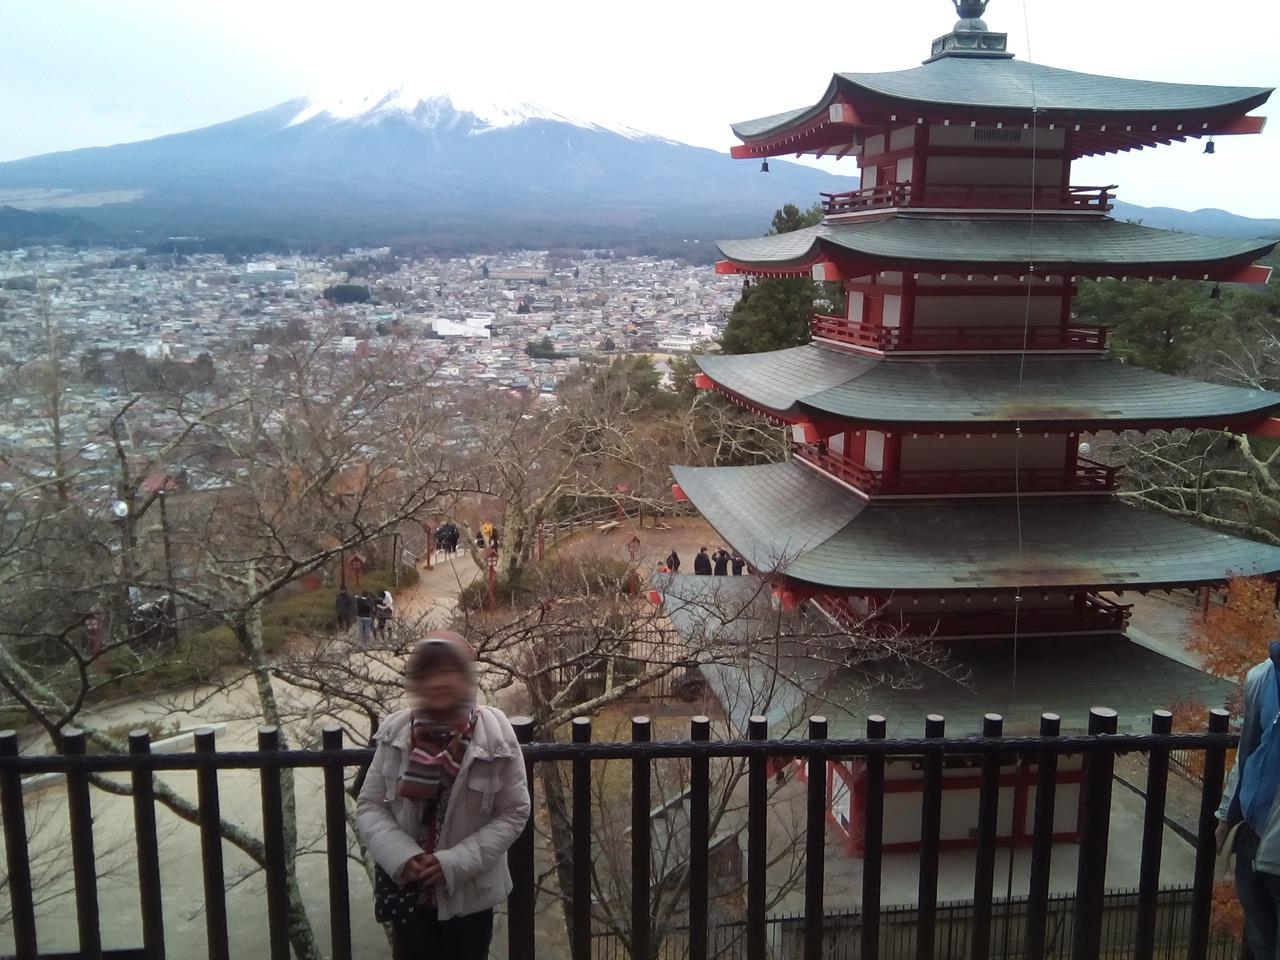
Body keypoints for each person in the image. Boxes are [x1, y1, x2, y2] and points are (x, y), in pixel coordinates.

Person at [356, 633, 530, 960]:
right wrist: (404, 856)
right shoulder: (396, 733)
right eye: (427, 672)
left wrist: (453, 863)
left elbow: (514, 811)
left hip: (470, 896)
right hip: (410, 895)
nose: (438, 682)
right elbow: (369, 805)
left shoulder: (496, 735)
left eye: (449, 671)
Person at [1218, 640, 1280, 960]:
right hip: (1252, 835)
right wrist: (1228, 814)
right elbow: (1248, 752)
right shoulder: (1262, 677)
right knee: (1260, 941)